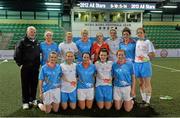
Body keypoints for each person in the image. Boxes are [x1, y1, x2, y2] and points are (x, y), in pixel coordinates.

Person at [14, 26, 40, 109]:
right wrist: (20, 64)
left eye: (34, 32)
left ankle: (32, 99)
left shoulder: (36, 42)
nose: (33, 33)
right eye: (31, 31)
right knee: (25, 84)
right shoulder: (22, 41)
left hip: (35, 68)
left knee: (34, 84)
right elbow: (16, 54)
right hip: (26, 68)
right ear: (27, 32)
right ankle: (25, 101)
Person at [134, 27, 155, 107]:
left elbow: (152, 54)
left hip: (145, 64)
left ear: (144, 33)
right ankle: (143, 99)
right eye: (138, 32)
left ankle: (148, 101)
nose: (139, 34)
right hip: (137, 64)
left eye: (141, 32)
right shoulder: (137, 42)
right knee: (141, 83)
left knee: (147, 83)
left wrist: (148, 58)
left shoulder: (148, 42)